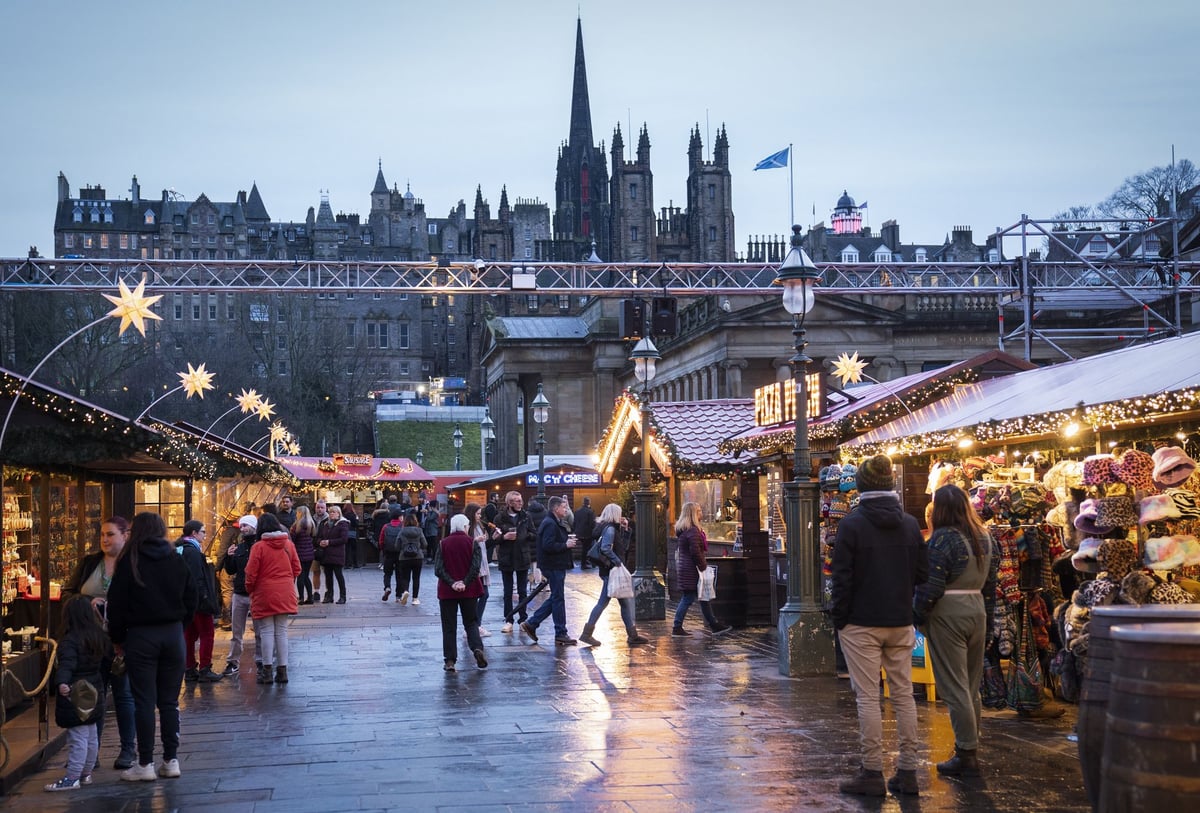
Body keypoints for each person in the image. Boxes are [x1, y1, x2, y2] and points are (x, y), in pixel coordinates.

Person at [830, 455, 928, 797]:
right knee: (903, 695)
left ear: (861, 486)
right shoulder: (911, 525)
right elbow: (923, 574)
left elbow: (841, 579)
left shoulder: (851, 525)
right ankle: (908, 771)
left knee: (868, 697)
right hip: (900, 620)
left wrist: (839, 618)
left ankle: (872, 771)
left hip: (861, 622)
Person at [106, 512, 198, 782]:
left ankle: (145, 762)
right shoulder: (176, 559)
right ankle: (171, 760)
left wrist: (117, 638)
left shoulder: (130, 561)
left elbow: (117, 604)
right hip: (172, 634)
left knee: (143, 700)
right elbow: (192, 597)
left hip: (141, 636)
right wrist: (180, 626)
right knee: (169, 701)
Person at [914, 484, 998, 779]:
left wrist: (917, 615)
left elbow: (931, 586)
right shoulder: (985, 537)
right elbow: (991, 586)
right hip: (977, 610)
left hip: (948, 613)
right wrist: (988, 620)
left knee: (954, 686)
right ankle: (970, 746)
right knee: (971, 685)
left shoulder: (943, 539)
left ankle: (966, 752)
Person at [61, 516, 137, 769]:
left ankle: (128, 749)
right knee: (93, 694)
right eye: (102, 534)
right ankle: (91, 754)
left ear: (125, 535)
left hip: (121, 641)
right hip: (90, 642)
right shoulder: (89, 563)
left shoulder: (133, 563)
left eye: (110, 534)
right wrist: (87, 603)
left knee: (124, 694)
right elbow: (68, 593)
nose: (105, 539)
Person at [43, 593, 112, 792]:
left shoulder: (70, 641)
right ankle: (86, 773)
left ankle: (72, 777)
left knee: (78, 737)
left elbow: (67, 664)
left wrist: (62, 682)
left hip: (77, 693)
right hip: (95, 689)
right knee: (91, 735)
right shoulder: (97, 636)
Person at [579, 503, 648, 647]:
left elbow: (623, 548)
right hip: (611, 571)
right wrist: (618, 563)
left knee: (624, 603)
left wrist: (626, 530)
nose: (621, 516)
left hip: (609, 571)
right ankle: (587, 634)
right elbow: (606, 548)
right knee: (603, 603)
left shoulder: (610, 528)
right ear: (615, 514)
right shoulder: (610, 529)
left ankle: (632, 635)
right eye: (620, 513)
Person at [245, 513, 301, 685]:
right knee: (282, 631)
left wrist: (250, 590)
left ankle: (267, 671)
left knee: (266, 632)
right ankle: (283, 671)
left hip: (264, 592)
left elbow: (251, 573)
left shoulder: (258, 547)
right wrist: (287, 580)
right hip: (285, 591)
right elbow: (297, 568)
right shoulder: (288, 544)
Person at [520, 496, 578, 646]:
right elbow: (548, 545)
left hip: (555, 564)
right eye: (564, 507)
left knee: (556, 598)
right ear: (556, 508)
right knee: (558, 599)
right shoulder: (550, 523)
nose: (566, 510)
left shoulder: (553, 522)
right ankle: (560, 633)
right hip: (553, 565)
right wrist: (565, 545)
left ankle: (532, 623)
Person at [434, 512, 488, 671]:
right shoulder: (472, 543)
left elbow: (438, 569)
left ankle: (450, 660)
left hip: (447, 591)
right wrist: (465, 582)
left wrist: (452, 583)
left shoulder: (443, 544)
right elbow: (475, 567)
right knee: (471, 622)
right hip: (469, 590)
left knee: (449, 625)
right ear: (464, 526)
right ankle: (477, 648)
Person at [671, 502, 732, 637]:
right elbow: (695, 552)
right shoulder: (693, 531)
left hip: (686, 567)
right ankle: (677, 626)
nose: (701, 513)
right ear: (693, 514)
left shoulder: (684, 530)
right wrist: (703, 566)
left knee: (704, 597)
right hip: (692, 569)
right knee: (688, 598)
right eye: (699, 511)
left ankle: (714, 625)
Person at [176, 520, 222, 683]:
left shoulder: (180, 548)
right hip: (198, 601)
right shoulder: (193, 552)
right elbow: (196, 578)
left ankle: (189, 668)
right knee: (207, 633)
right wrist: (204, 597)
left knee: (190, 635)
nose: (205, 535)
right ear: (194, 533)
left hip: (185, 601)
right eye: (203, 531)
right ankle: (205, 669)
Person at [221, 515, 259, 677]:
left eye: (245, 526)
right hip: (239, 593)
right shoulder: (239, 547)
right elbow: (231, 570)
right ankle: (233, 661)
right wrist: (229, 557)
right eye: (241, 526)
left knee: (259, 631)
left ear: (254, 527)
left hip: (256, 593)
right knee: (237, 632)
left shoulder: (260, 546)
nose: (242, 528)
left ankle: (261, 661)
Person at [493, 491, 534, 633]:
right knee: (507, 591)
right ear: (509, 503)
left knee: (523, 591)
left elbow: (534, 534)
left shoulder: (526, 516)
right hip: (507, 557)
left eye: (520, 500)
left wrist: (524, 535)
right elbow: (494, 538)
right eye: (517, 501)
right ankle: (508, 620)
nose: (520, 503)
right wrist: (504, 537)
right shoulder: (500, 518)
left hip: (522, 556)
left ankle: (523, 619)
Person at [465, 503, 491, 637]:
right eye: (478, 513)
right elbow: (464, 544)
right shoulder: (468, 527)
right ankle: (474, 626)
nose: (480, 516)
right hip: (475, 566)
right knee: (480, 595)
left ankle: (474, 625)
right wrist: (476, 540)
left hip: (482, 565)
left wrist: (492, 538)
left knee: (483, 594)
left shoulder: (479, 526)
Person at [316, 503, 349, 603]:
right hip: (326, 554)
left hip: (337, 554)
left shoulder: (343, 524)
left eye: (334, 512)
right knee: (328, 576)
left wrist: (329, 542)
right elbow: (319, 536)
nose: (331, 514)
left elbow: (344, 539)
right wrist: (320, 542)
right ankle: (329, 596)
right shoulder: (325, 524)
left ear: (339, 513)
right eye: (330, 512)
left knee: (339, 575)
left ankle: (342, 596)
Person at [394, 512, 426, 604]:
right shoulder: (419, 531)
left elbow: (397, 546)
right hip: (417, 557)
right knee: (416, 578)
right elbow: (425, 544)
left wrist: (403, 548)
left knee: (405, 577)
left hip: (404, 558)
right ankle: (415, 599)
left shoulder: (402, 531)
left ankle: (405, 591)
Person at [290, 506, 317, 605]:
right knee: (306, 576)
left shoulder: (296, 525)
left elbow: (292, 539)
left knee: (300, 576)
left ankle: (301, 598)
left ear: (299, 513)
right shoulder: (311, 524)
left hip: (299, 554)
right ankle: (310, 597)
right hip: (309, 554)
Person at [310, 499, 329, 598]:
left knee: (327, 572)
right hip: (314, 548)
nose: (320, 509)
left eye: (322, 507)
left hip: (326, 549)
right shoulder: (311, 519)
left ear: (326, 508)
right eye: (318, 507)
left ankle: (328, 591)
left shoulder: (329, 520)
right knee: (315, 571)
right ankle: (316, 592)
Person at [573, 496, 596, 570]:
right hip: (587, 534)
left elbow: (574, 522)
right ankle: (584, 563)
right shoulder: (590, 511)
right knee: (587, 548)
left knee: (585, 548)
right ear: (589, 502)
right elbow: (592, 524)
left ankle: (585, 561)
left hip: (578, 533)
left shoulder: (577, 511)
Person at [342, 502, 360, 569]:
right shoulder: (353, 515)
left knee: (346, 549)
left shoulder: (343, 515)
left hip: (345, 533)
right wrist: (357, 519)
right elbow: (356, 524)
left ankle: (346, 564)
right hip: (352, 533)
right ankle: (355, 564)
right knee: (354, 549)